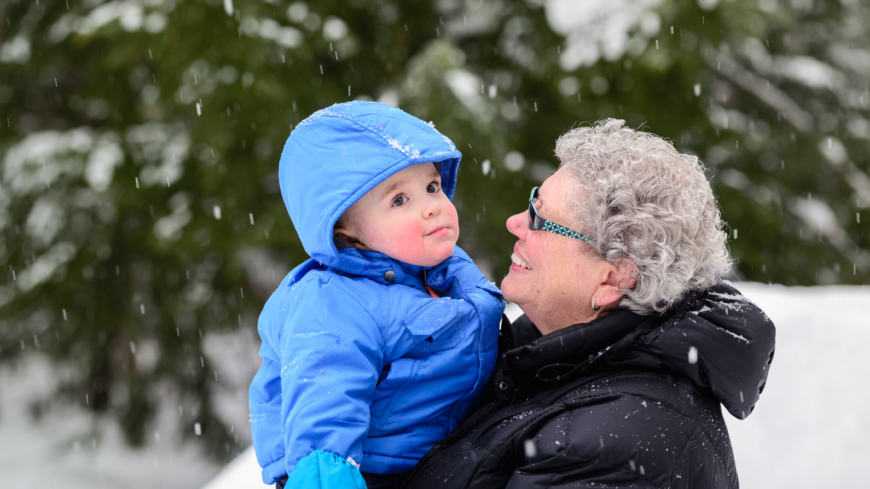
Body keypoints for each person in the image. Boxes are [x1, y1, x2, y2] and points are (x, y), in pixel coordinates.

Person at [402, 119, 776, 488]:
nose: (515, 222)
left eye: (540, 217)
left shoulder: (620, 447)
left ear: (614, 278)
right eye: (532, 200)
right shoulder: (548, 360)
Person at [248, 101, 505, 489]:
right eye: (399, 200)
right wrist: (327, 476)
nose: (432, 208)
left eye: (432, 186)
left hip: (441, 454)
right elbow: (325, 397)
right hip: (362, 472)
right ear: (346, 233)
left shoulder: (443, 271)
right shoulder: (335, 301)